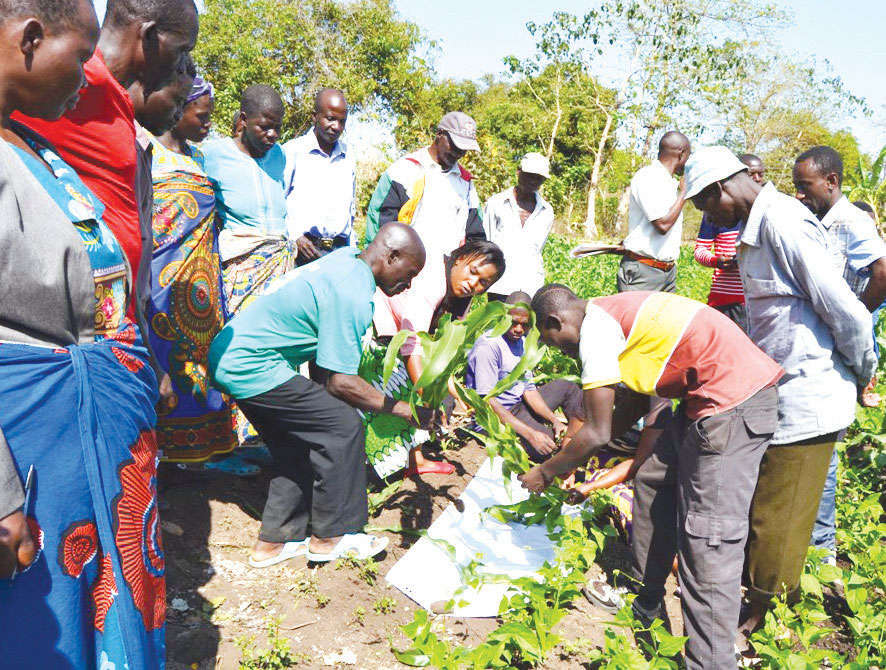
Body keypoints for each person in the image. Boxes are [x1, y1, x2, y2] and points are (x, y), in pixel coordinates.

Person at [0, 1, 165, 665]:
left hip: (85, 443)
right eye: (80, 56)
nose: (89, 75)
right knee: (40, 629)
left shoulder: (29, 143)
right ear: (30, 38)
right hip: (28, 456)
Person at [522, 284, 783, 670]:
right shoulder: (609, 315)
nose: (563, 353)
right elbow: (626, 407)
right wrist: (575, 457)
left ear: (555, 321)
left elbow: (598, 432)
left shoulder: (596, 330)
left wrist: (546, 471)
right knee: (654, 478)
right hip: (703, 400)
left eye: (554, 343)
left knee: (708, 537)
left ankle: (711, 662)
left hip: (734, 405)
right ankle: (644, 596)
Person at [683, 146, 877, 646]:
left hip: (810, 392)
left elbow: (845, 309)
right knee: (766, 505)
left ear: (722, 188)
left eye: (706, 205)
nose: (708, 218)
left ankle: (763, 621)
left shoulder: (783, 224)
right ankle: (758, 600)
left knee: (780, 518)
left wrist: (863, 371)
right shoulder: (755, 229)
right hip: (779, 388)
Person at [208, 223, 444, 567]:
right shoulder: (352, 291)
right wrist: (407, 411)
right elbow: (341, 382)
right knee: (343, 426)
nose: (407, 285)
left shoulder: (345, 260)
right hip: (253, 363)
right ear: (391, 256)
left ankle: (274, 542)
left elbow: (325, 363)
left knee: (298, 442)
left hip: (232, 355)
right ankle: (332, 536)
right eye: (408, 274)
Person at [137, 76, 237, 464]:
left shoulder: (199, 158)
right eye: (203, 115)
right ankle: (159, 457)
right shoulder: (146, 150)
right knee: (165, 361)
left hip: (202, 284)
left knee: (202, 366)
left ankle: (198, 452)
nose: (209, 123)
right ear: (178, 110)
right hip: (161, 280)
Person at [792, 145, 886, 559]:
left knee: (824, 452)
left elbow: (883, 271)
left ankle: (822, 552)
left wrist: (855, 315)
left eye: (805, 185)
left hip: (837, 350)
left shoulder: (850, 221)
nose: (799, 194)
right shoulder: (818, 220)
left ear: (831, 181)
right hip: (820, 347)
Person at [371, 238, 506, 476]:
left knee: (425, 393)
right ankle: (404, 461)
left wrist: (458, 394)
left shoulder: (461, 296)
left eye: (483, 283)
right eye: (473, 272)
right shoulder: (433, 283)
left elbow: (442, 351)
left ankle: (413, 460)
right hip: (378, 325)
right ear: (460, 259)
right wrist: (430, 399)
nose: (473, 284)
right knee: (403, 390)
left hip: (401, 335)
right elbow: (412, 347)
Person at [365, 111, 485, 305]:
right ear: (439, 134)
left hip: (441, 284)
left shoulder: (466, 183)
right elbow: (380, 224)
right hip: (400, 279)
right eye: (455, 145)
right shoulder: (404, 170)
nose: (458, 153)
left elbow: (475, 235)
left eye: (464, 149)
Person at [202, 84, 294, 317]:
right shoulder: (213, 155)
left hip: (281, 267)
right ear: (244, 120)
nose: (273, 135)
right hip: (240, 270)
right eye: (265, 127)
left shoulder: (279, 155)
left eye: (277, 128)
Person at [466, 291, 583, 462]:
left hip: (518, 406)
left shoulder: (521, 342)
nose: (519, 329)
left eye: (524, 325)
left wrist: (554, 420)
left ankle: (577, 434)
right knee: (549, 445)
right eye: (513, 322)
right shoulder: (489, 346)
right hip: (493, 418)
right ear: (503, 316)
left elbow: (528, 389)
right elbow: (487, 401)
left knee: (568, 386)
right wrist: (530, 434)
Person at [692, 153, 766, 331]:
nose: (757, 178)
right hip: (723, 299)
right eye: (752, 174)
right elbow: (700, 250)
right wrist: (716, 261)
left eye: (761, 174)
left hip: (754, 299)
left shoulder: (767, 216)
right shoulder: (717, 213)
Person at [283, 88, 356, 265]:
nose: (336, 127)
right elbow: (277, 202)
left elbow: (350, 210)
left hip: (338, 254)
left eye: (342, 121)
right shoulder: (293, 151)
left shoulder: (348, 156)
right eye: (330, 119)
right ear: (314, 117)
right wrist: (294, 236)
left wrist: (352, 250)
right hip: (302, 253)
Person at [617, 131, 690, 293]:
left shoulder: (670, 182)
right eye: (688, 156)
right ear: (682, 153)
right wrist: (684, 193)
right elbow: (662, 225)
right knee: (638, 311)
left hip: (667, 272)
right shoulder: (649, 176)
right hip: (644, 272)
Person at [481, 154, 554, 301]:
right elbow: (487, 243)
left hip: (531, 286)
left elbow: (538, 249)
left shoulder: (547, 211)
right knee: (496, 316)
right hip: (500, 284)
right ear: (518, 172)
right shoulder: (496, 203)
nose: (533, 181)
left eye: (538, 178)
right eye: (529, 175)